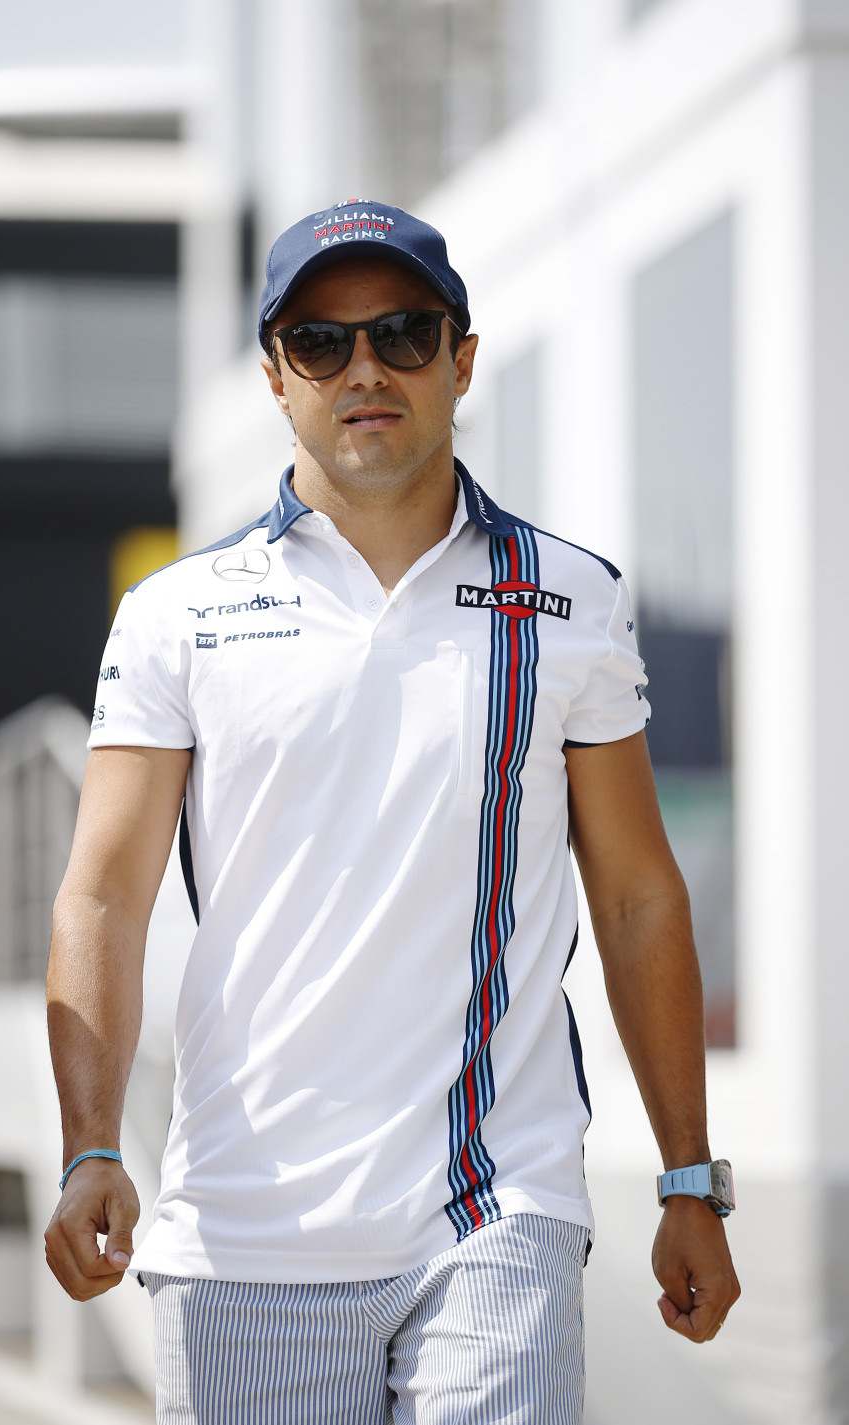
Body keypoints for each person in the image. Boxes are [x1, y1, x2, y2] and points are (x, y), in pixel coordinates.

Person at [45, 200, 740, 1423]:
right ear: (276, 376)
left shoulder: (568, 600)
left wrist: (688, 1176)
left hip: (496, 1211)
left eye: (403, 334)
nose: (363, 370)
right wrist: (92, 1144)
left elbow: (637, 896)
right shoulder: (174, 616)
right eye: (320, 343)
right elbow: (103, 895)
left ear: (459, 361)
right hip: (244, 1234)